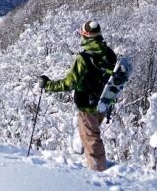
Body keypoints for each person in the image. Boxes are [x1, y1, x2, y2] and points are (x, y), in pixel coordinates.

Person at [39, 20, 117, 171]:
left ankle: (98, 172)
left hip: (87, 106)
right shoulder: (109, 53)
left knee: (91, 138)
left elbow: (69, 83)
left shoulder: (84, 58)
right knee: (91, 136)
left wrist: (47, 85)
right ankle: (92, 164)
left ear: (86, 36)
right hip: (103, 103)